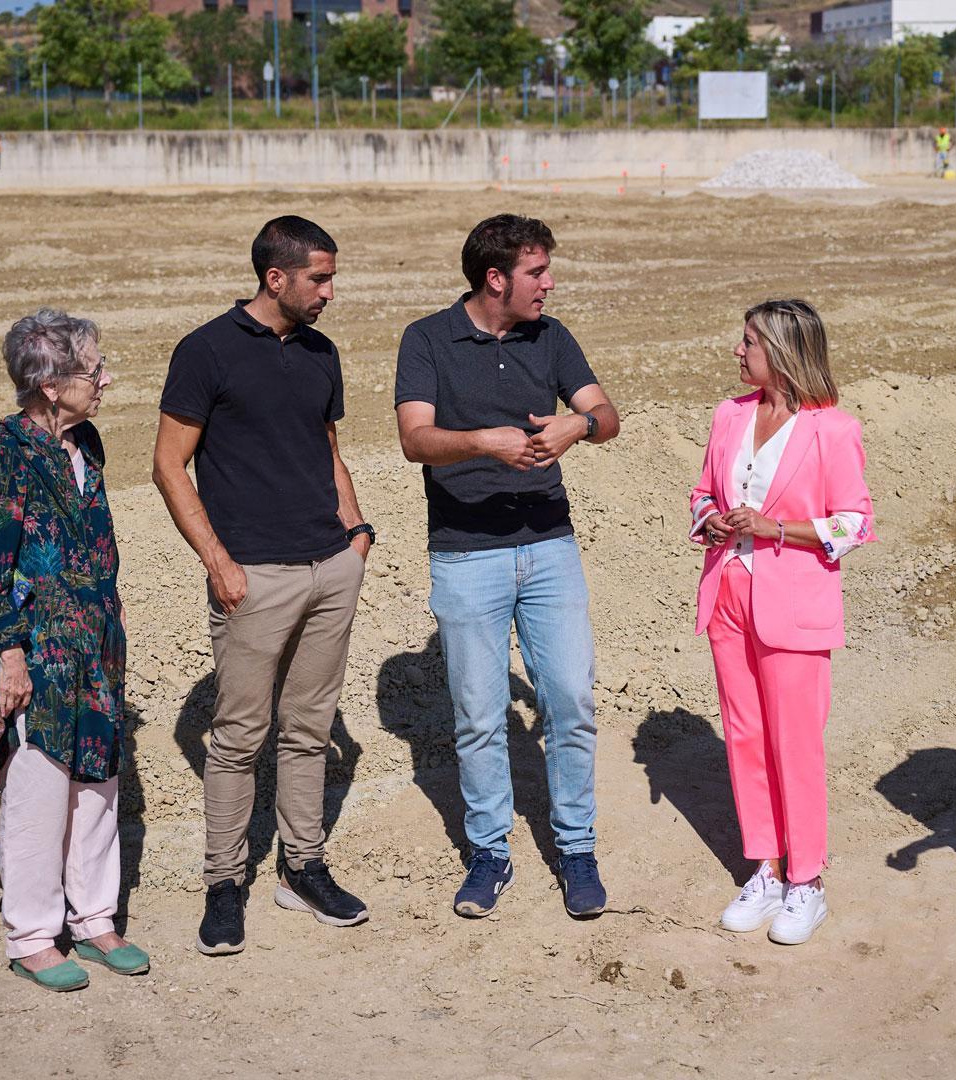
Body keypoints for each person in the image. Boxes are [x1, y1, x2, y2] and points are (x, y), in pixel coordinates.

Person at [156, 216, 374, 954]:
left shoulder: (321, 353)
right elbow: (167, 464)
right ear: (275, 278)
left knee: (309, 730)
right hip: (254, 574)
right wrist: (218, 561)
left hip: (329, 567)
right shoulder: (205, 350)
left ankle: (302, 868)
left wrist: (356, 531)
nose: (330, 292)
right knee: (239, 738)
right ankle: (224, 883)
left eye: (331, 276)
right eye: (320, 278)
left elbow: (327, 448)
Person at [394, 213, 622, 919]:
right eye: (536, 273)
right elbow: (414, 439)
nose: (548, 284)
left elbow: (608, 415)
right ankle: (490, 852)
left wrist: (575, 425)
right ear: (497, 278)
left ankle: (576, 849)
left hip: (551, 547)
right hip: (466, 554)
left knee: (571, 702)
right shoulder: (426, 338)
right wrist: (485, 444)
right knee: (479, 717)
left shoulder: (551, 337)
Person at [0, 309, 143, 992]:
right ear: (48, 382)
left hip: (96, 642)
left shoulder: (86, 442)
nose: (105, 379)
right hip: (39, 649)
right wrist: (10, 654)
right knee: (38, 790)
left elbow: (99, 540)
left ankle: (95, 919)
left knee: (98, 781)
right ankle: (33, 935)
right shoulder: (2, 451)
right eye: (93, 370)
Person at [688, 300, 874, 946]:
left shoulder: (833, 430)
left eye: (748, 344)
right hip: (728, 596)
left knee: (796, 743)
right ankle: (765, 867)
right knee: (744, 737)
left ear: (783, 351)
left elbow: (855, 522)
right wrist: (710, 518)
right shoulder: (727, 415)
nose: (737, 354)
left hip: (794, 606)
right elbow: (702, 493)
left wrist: (778, 529)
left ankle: (808, 882)